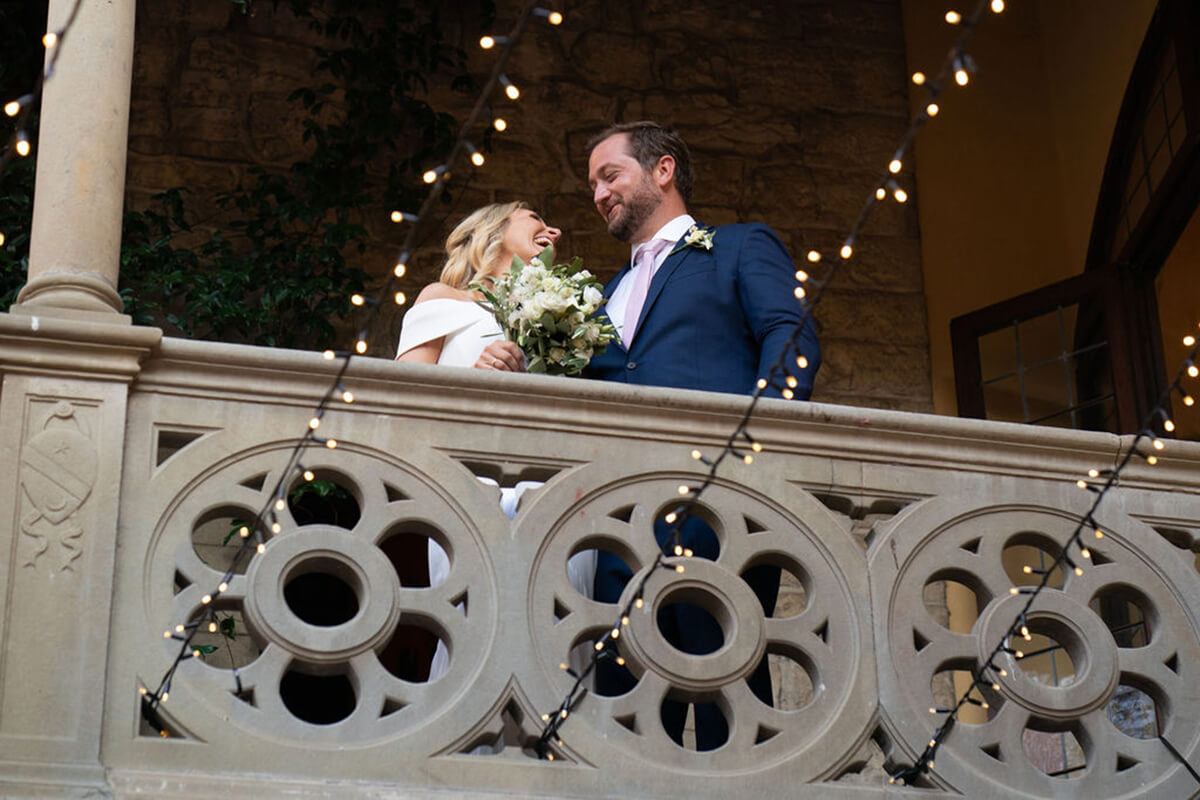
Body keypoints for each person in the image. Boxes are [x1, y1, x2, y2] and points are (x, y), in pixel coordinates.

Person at [584, 121, 822, 750]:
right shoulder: (604, 293)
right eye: (593, 185)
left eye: (611, 175)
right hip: (621, 511)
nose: (600, 194)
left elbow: (790, 336)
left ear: (662, 170)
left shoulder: (740, 247)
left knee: (725, 678)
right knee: (625, 690)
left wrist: (755, 447)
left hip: (722, 501)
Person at [396, 201, 596, 687]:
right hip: (471, 483)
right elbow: (402, 399)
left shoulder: (566, 317)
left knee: (563, 630)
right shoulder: (443, 298)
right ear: (494, 229)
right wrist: (473, 376)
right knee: (475, 625)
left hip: (555, 488)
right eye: (534, 217)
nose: (554, 227)